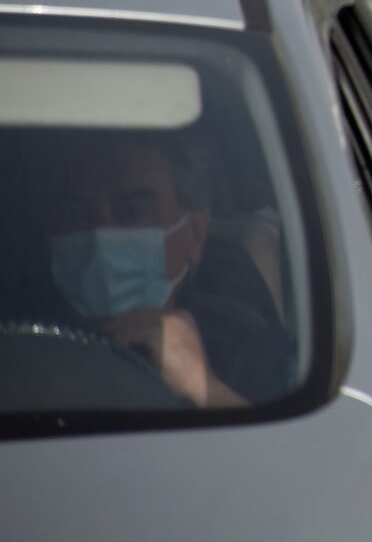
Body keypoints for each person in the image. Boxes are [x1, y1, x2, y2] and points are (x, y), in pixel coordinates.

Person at [47, 140, 292, 408]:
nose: (101, 236)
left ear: (195, 234)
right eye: (78, 215)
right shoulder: (23, 349)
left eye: (131, 213)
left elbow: (295, 448)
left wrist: (205, 389)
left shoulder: (252, 357)